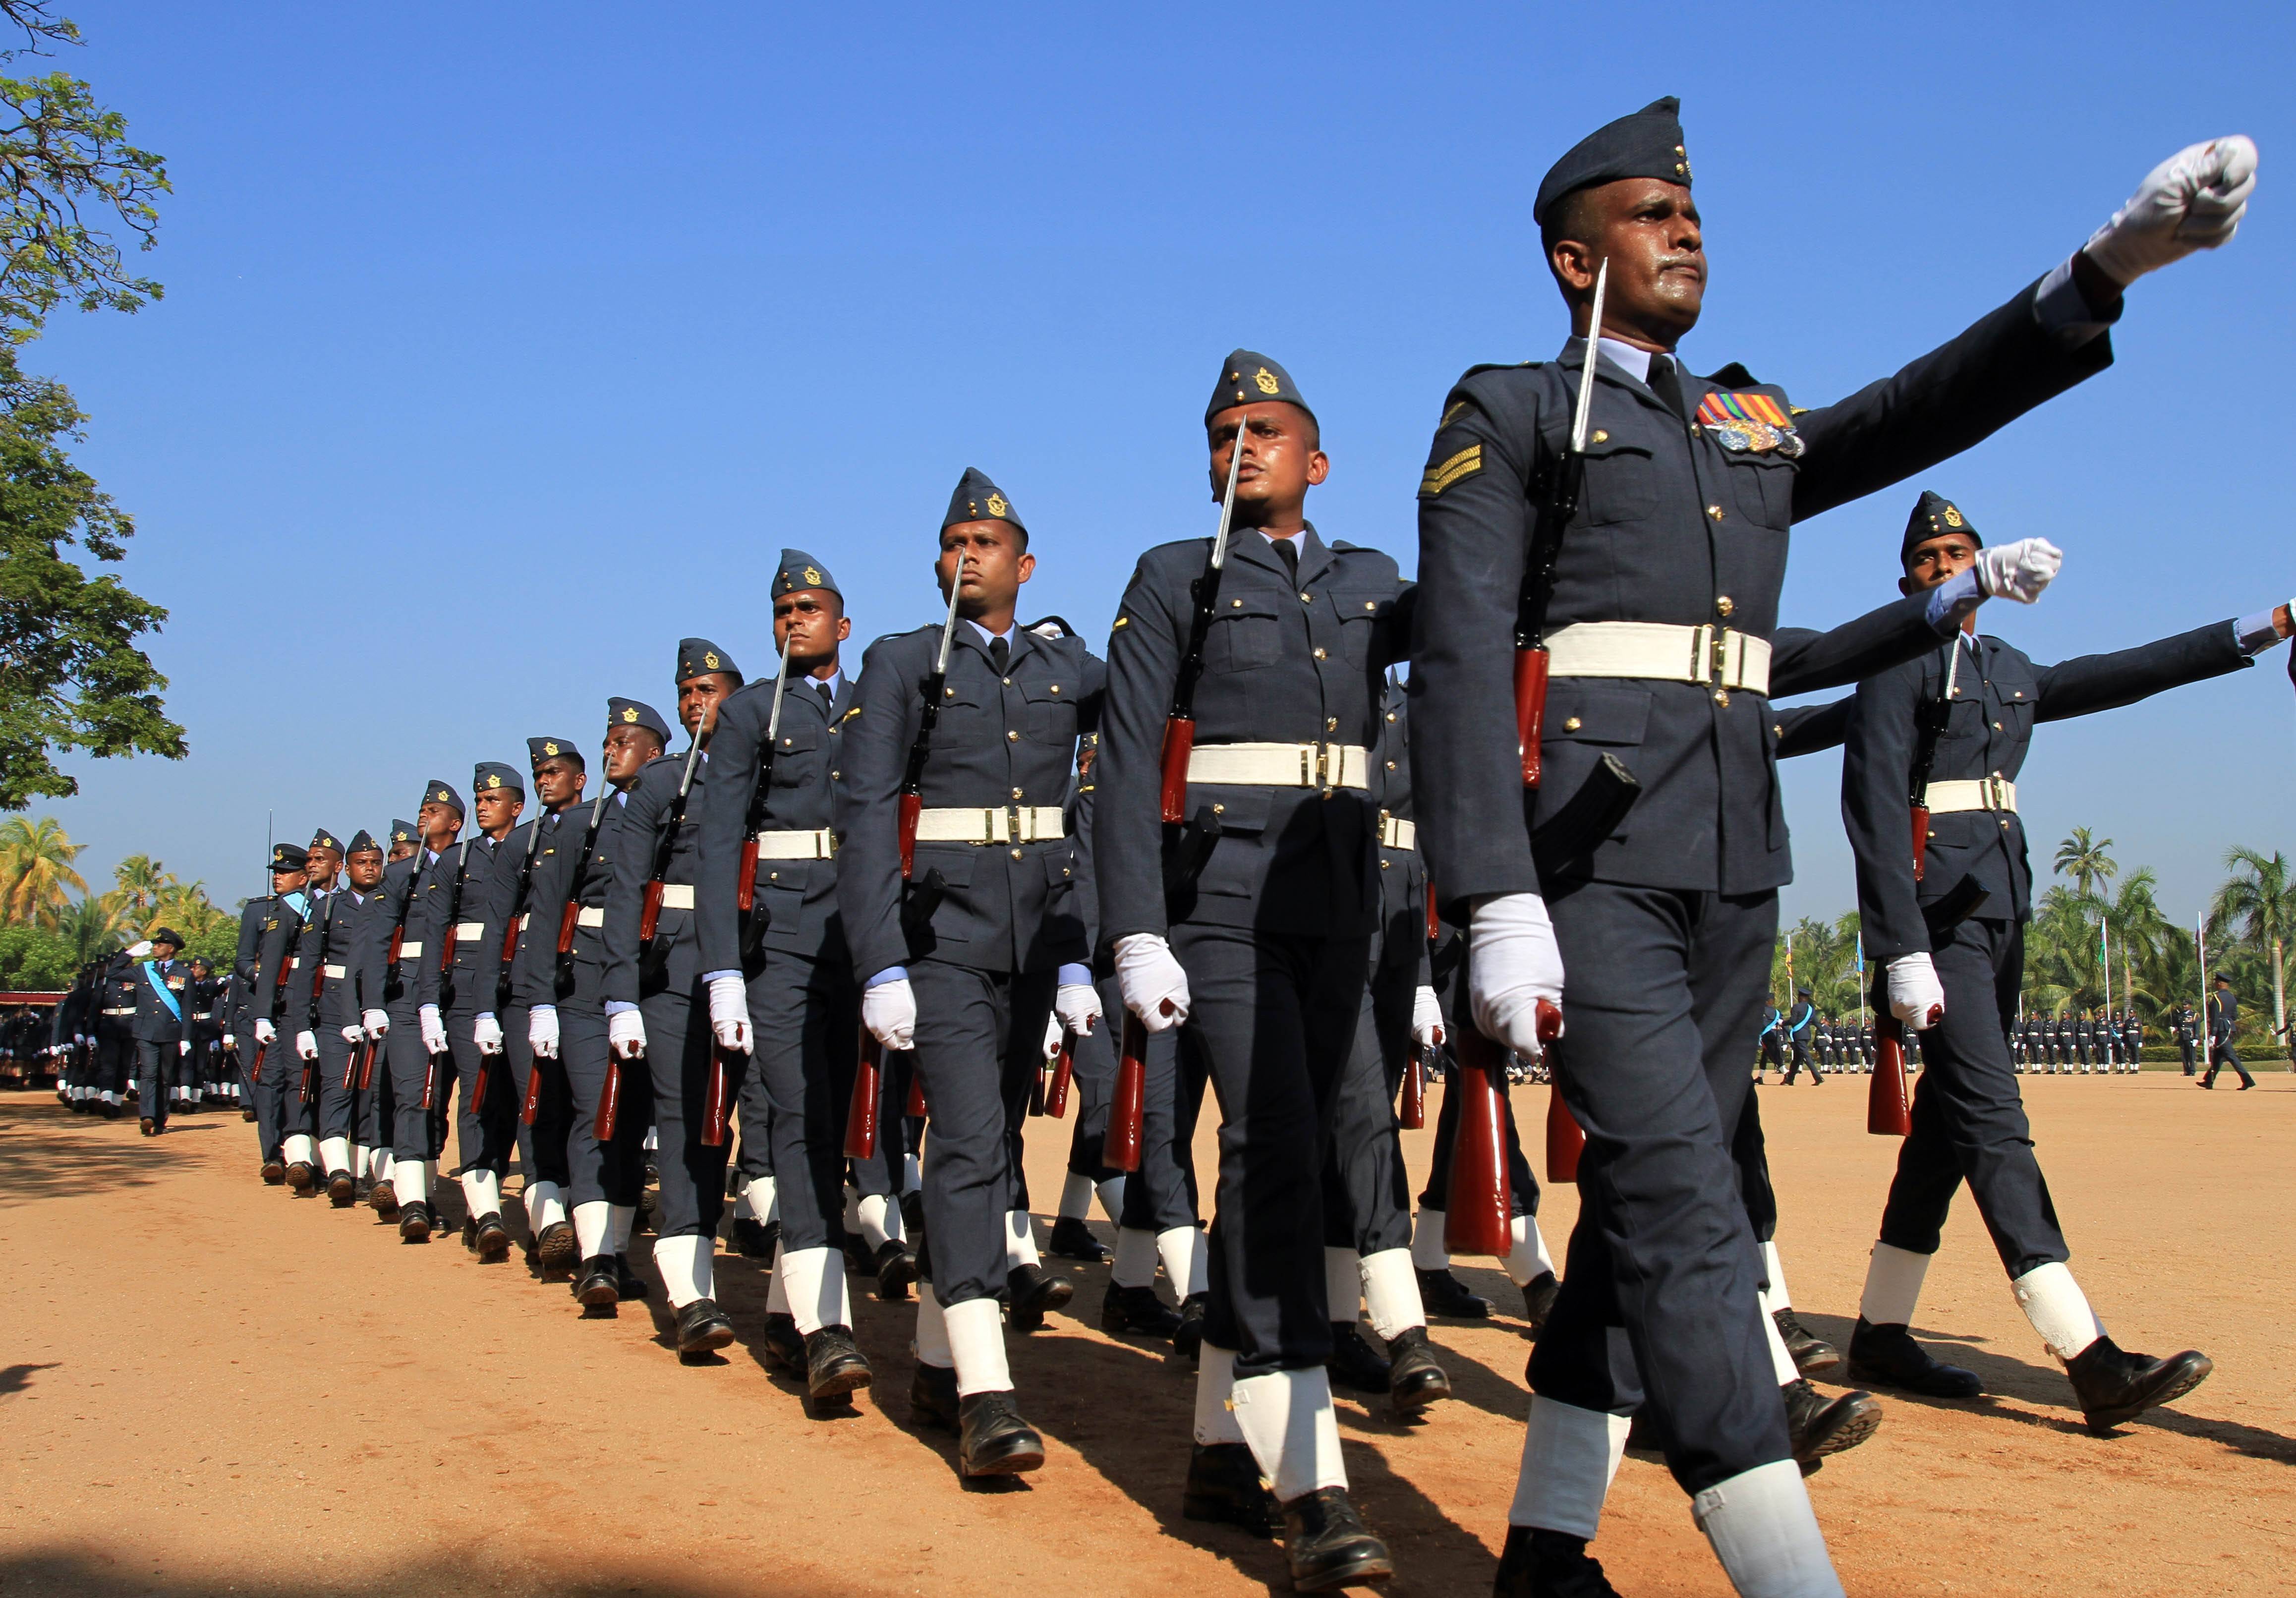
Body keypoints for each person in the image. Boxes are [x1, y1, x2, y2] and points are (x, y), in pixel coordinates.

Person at [1410, 93, 2253, 1596]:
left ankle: (1541, 1552)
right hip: (1586, 864)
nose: (1684, 233)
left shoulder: (1744, 425)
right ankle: (1788, 1569)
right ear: (1571, 258)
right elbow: (1466, 652)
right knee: (1687, 1204)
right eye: (1650, 215)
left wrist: (2104, 268)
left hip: (1733, 861)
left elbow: (1908, 410)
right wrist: (1490, 894)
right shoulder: (1513, 410)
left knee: (1635, 1214)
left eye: (1692, 214)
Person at [1841, 490, 2286, 1432]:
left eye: (1960, 552)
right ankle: (2088, 1353)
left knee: (1949, 1123)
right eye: (1929, 558)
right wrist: (1898, 946)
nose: (1947, 566)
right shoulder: (1894, 662)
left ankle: (1880, 1330)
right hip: (1937, 920)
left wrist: (2266, 624)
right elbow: (1873, 807)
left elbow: (2132, 671)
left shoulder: (2006, 666)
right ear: (1908, 579)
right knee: (1993, 1118)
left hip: (2001, 907)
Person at [1098, 352, 1407, 1585]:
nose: (1241, 445)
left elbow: (1475, 633)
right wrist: (1134, 928)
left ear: (1316, 461)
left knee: (1299, 1151)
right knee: (1272, 1140)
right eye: (1223, 432)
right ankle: (1311, 1477)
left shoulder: (1373, 582)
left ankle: (1220, 1445)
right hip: (1222, 900)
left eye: (1264, 429)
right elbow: (1129, 758)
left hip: (1340, 899)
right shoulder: (1174, 574)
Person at [841, 470, 1103, 1478]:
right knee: (963, 1138)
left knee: (993, 1139)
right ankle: (987, 1392)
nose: (966, 555)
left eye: (985, 543)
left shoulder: (1066, 666)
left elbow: (1141, 721)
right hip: (942, 933)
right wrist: (880, 960)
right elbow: (869, 815)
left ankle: (935, 1360)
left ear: (1024, 566)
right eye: (953, 542)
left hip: (1034, 940)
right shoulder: (903, 661)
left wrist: (1078, 951)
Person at [694, 551, 885, 1408]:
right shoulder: (747, 714)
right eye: (783, 611)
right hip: (784, 936)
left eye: (810, 608)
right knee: (801, 1115)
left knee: (844, 1120)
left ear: (842, 624)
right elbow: (717, 844)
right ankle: (825, 1328)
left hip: (866, 926)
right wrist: (722, 969)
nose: (794, 620)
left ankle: (785, 1309)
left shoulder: (879, 704)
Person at [602, 638, 744, 1357]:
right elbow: (627, 890)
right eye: (686, 692)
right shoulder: (661, 783)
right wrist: (620, 994)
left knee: (767, 1125)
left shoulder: (770, 771)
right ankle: (691, 1293)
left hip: (760, 959)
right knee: (689, 1122)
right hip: (677, 969)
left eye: (708, 689)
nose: (695, 702)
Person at [516, 700, 668, 1311]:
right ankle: (596, 1256)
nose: (611, 751)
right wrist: (540, 1000)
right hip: (584, 983)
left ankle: (618, 1250)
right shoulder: (581, 824)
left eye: (624, 741)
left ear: (654, 753)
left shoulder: (675, 812)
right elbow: (546, 915)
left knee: (633, 1120)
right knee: (593, 1111)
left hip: (653, 979)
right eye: (607, 741)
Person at [377, 787, 462, 1241]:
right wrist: (371, 1005)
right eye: (421, 810)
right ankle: (412, 1201)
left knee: (440, 1102)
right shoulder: (400, 875)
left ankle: (427, 1194)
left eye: (434, 811)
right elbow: (376, 942)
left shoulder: (471, 865)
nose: (424, 816)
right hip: (409, 992)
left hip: (461, 992)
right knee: (413, 1094)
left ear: (456, 823)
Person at [249, 844, 315, 1187]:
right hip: (280, 1003)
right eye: (276, 873)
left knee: (299, 1078)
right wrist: (263, 1010)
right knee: (272, 1080)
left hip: (311, 1000)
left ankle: (299, 1151)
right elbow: (250, 961)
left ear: (304, 877)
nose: (278, 878)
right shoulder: (268, 910)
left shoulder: (319, 906)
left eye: (285, 872)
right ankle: (272, 1154)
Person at [130, 928, 190, 1136]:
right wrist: (129, 954)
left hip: (171, 1031)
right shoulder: (144, 969)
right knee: (148, 1074)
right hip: (146, 1031)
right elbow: (113, 973)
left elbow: (187, 1008)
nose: (155, 948)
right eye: (155, 944)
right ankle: (147, 1116)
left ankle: (160, 1120)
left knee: (165, 1078)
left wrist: (186, 1038)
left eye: (160, 945)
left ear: (171, 949)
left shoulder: (184, 974)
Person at [2202, 973, 2253, 1089]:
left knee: (2230, 1056)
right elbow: (2234, 1016)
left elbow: (2215, 1017)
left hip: (2221, 1029)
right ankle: (2209, 1081)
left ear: (2219, 984)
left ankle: (2247, 1080)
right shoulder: (2232, 998)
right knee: (2218, 1056)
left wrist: (2213, 1034)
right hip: (2229, 1027)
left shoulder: (2217, 998)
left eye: (2216, 983)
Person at [1781, 989, 1821, 1085]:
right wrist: (1825, 1033)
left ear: (1801, 997)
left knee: (1806, 1056)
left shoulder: (1796, 1007)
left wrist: (1783, 1023)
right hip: (1806, 1035)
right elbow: (1816, 1022)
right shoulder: (1811, 1009)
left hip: (1799, 1035)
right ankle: (1790, 1079)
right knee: (1797, 1058)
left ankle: (1818, 1077)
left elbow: (1793, 1021)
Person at [2174, 1002, 2200, 1076]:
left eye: (2186, 1005)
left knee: (2191, 1055)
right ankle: (2186, 1071)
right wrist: (2174, 1028)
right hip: (2182, 1037)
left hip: (2190, 1036)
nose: (2184, 1006)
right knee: (2184, 1055)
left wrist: (2196, 1038)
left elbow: (2197, 1027)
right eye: (2183, 1005)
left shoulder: (2194, 1015)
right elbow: (2178, 1026)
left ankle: (2192, 1071)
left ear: (2190, 1006)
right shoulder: (2180, 1015)